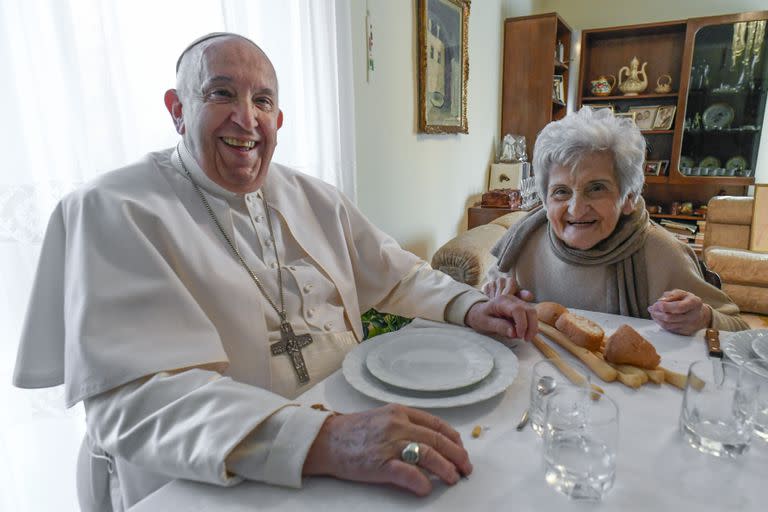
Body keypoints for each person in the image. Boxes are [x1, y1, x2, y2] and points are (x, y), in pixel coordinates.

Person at [12, 33, 535, 511]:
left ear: (278, 120)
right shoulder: (112, 209)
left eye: (262, 101)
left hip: (351, 426)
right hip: (215, 473)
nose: (247, 118)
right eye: (221, 94)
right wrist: (321, 439)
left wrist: (470, 305)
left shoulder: (313, 196)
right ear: (176, 109)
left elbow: (395, 272)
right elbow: (135, 399)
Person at [484, 107, 748, 335]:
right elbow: (487, 298)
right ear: (545, 199)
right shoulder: (524, 242)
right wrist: (496, 298)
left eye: (596, 188)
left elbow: (737, 327)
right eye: (561, 191)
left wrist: (704, 318)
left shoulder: (662, 253)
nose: (576, 209)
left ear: (629, 197)